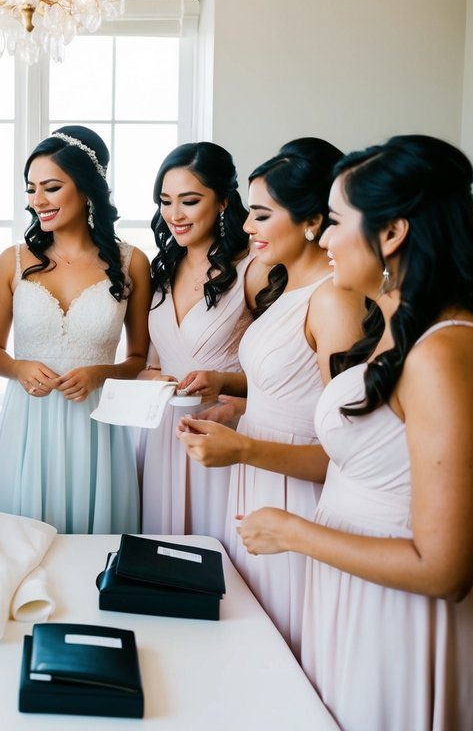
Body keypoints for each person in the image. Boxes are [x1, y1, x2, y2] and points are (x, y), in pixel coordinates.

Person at [237, 136, 473, 729]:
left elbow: (443, 569)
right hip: (362, 606)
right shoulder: (397, 329)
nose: (323, 237)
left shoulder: (445, 352)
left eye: (338, 221)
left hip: (412, 628)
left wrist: (294, 532)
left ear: (393, 233)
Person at [178, 138, 364, 657]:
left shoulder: (334, 302)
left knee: (286, 646)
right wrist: (238, 405)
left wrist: (243, 448)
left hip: (297, 496)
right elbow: (294, 389)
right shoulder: (287, 290)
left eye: (260, 214)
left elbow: (347, 452)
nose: (245, 227)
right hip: (257, 482)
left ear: (311, 221)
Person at [0, 126, 151, 534]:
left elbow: (138, 359)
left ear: (87, 189)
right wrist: (19, 369)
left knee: (93, 547)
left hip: (96, 426)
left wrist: (100, 373)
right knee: (20, 545)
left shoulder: (132, 263)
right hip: (28, 426)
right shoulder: (14, 260)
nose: (37, 200)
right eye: (30, 189)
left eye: (51, 187)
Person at [137, 142, 252, 539]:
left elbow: (280, 375)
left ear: (222, 201)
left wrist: (222, 381)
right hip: (162, 437)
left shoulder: (253, 268)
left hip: (223, 433)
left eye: (189, 201)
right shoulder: (162, 272)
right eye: (165, 202)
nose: (174, 215)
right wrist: (155, 380)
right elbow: (148, 366)